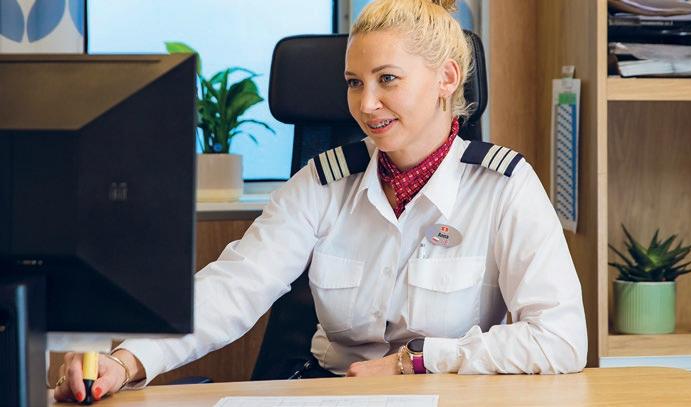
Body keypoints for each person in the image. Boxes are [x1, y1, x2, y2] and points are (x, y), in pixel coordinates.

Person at [53, 0, 587, 402]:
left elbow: (561, 340)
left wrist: (418, 361)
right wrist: (128, 360)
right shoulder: (324, 182)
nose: (366, 104)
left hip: (448, 395)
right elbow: (235, 286)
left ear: (446, 78)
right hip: (331, 393)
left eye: (387, 79)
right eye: (354, 83)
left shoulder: (503, 187)